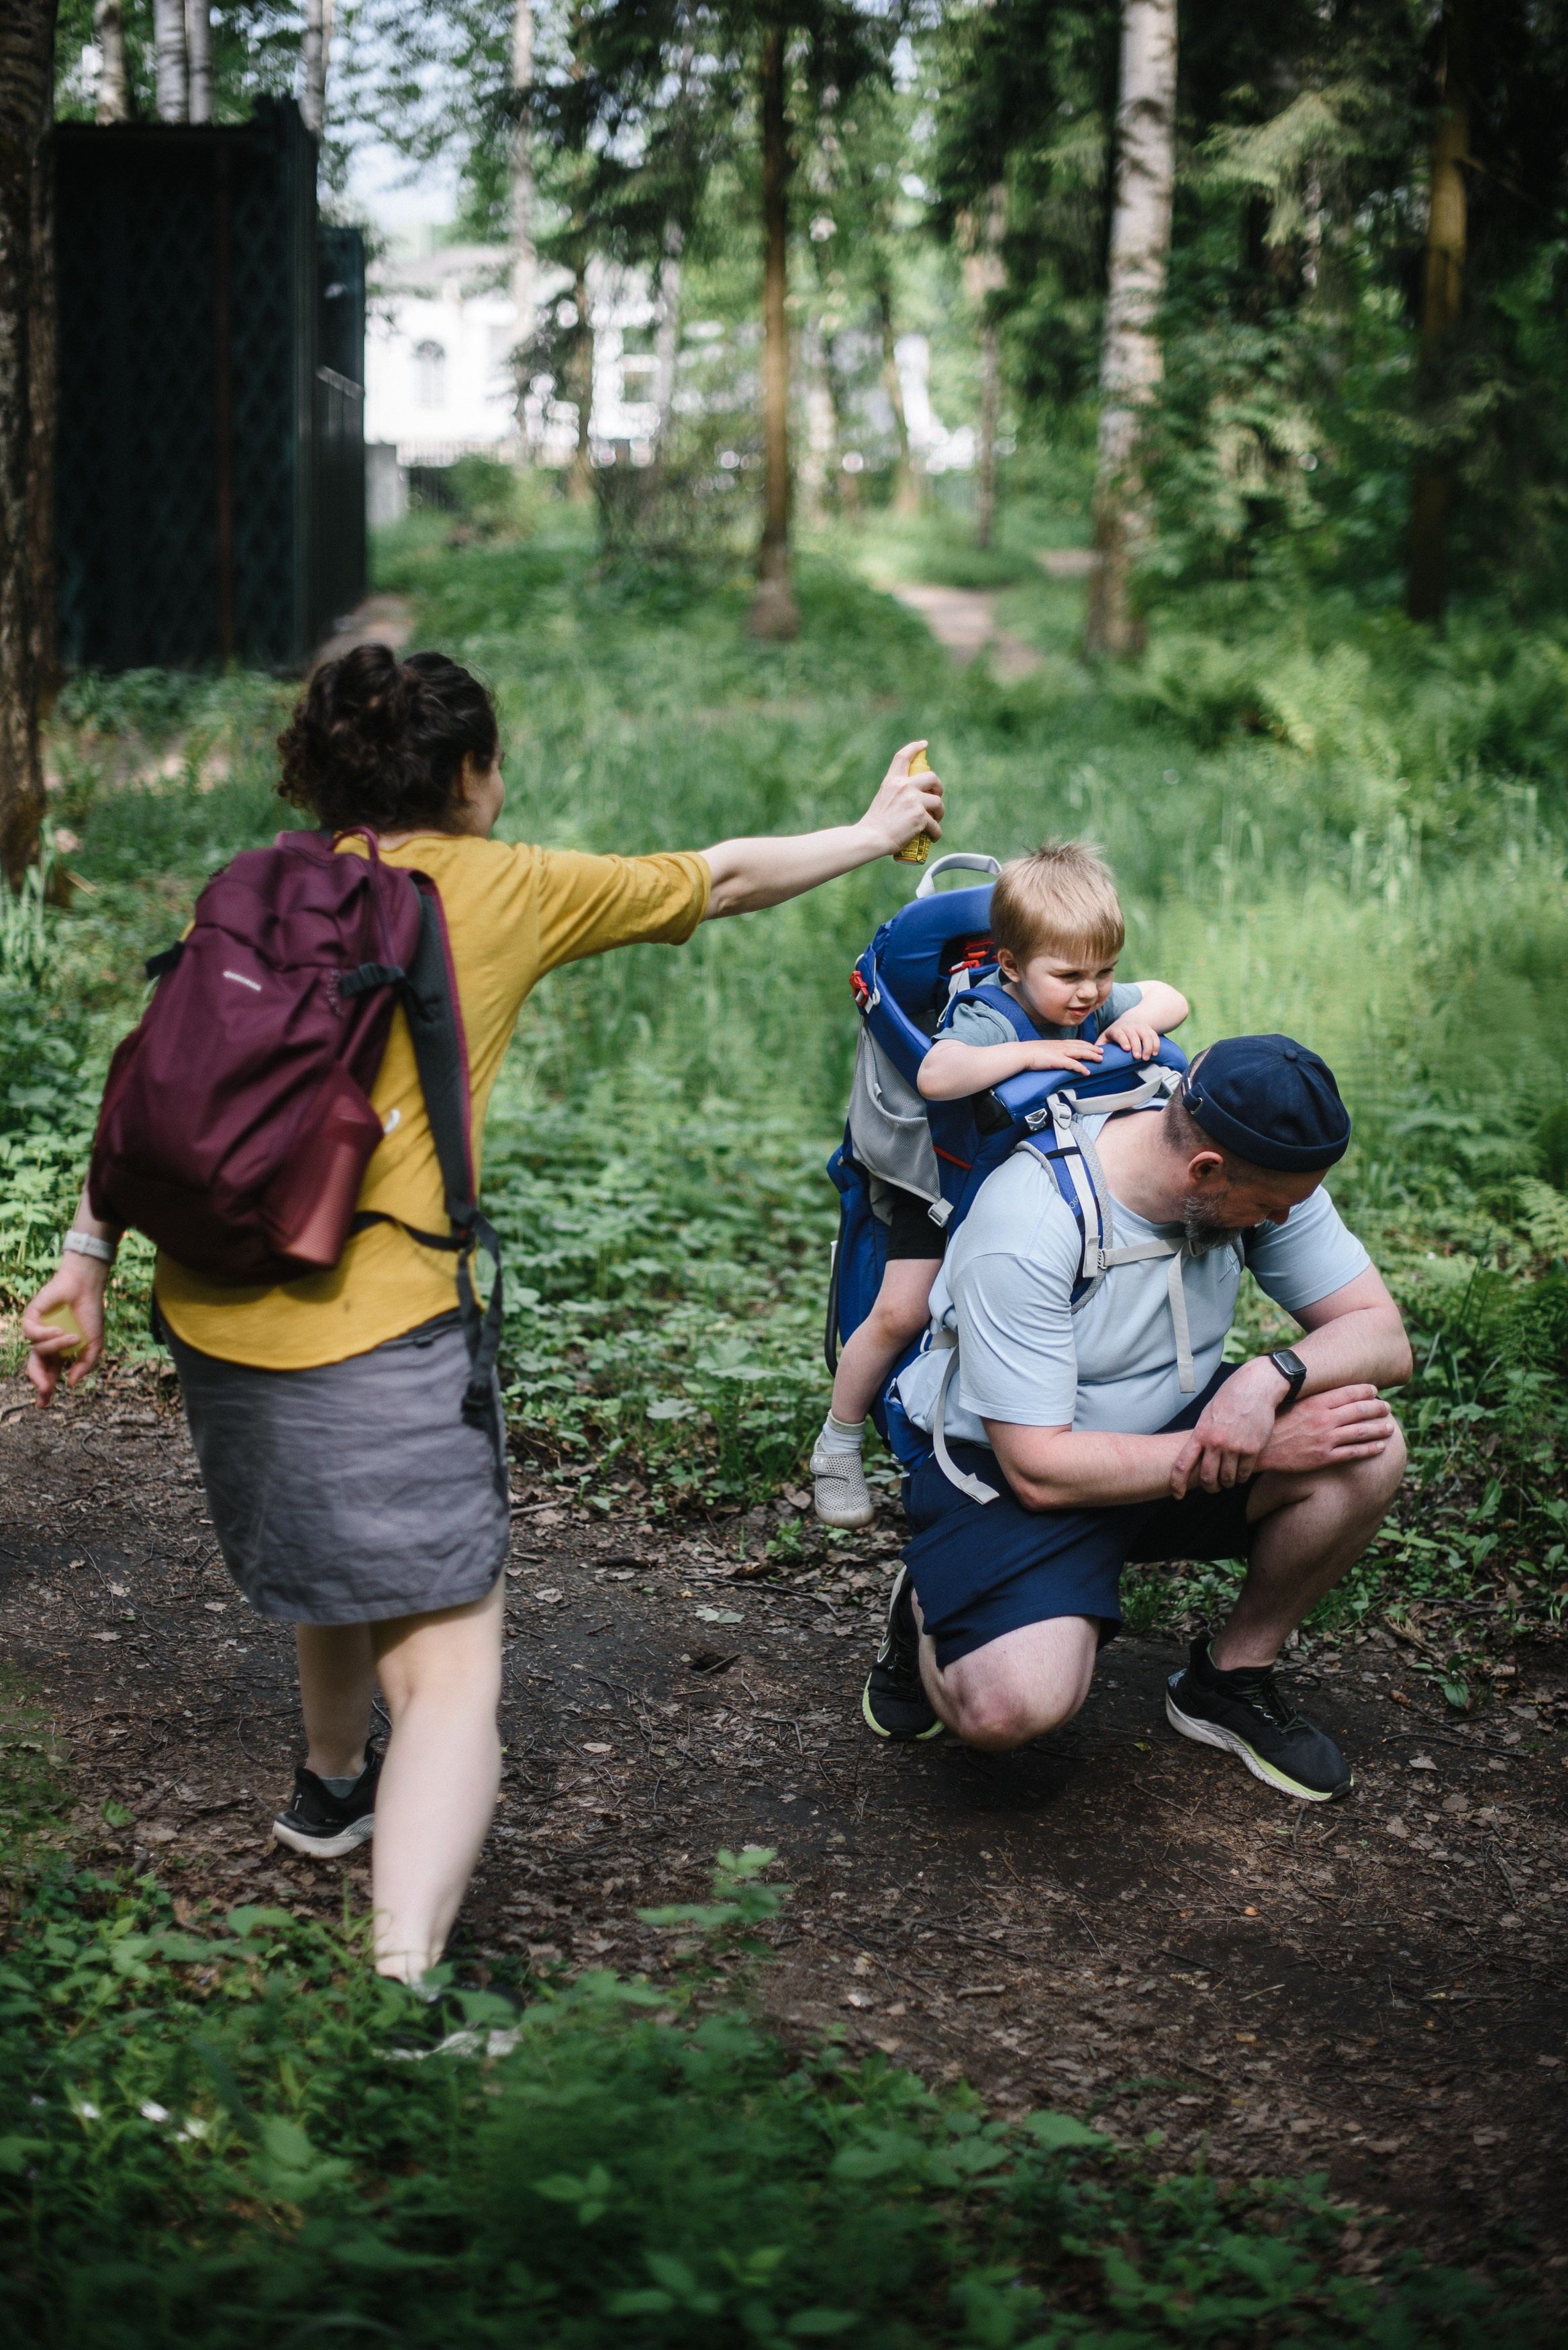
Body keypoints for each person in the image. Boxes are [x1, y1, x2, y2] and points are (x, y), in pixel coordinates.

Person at [21, 647, 944, 1985]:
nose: (501, 786)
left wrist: (85, 1254)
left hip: (215, 1316)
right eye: (491, 763)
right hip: (377, 1328)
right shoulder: (500, 885)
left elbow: (154, 1076)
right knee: (451, 1683)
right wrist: (871, 834)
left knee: (341, 1560)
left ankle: (333, 1787)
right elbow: (720, 875)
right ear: (463, 777)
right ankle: (401, 2002)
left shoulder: (264, 885)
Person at [861, 1033, 1411, 1804]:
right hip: (1008, 1460)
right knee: (1006, 1708)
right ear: (1205, 1170)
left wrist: (1269, 1375)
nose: (1286, 1217)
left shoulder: (1256, 1172)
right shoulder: (1029, 1222)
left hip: (1166, 1425)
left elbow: (1381, 1333)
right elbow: (1039, 1469)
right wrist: (1247, 1451)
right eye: (1272, 1205)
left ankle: (1228, 1679)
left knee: (1365, 1443)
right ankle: (929, 1599)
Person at [810, 839, 1189, 1531]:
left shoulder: (1089, 1001)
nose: (1089, 991)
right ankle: (836, 1443)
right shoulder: (987, 1014)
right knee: (902, 1312)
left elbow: (1173, 996)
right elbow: (936, 1074)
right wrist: (1029, 1052)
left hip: (1039, 1184)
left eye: (1104, 971)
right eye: (1070, 974)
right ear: (1011, 966)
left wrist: (1136, 1018)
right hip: (946, 1184)